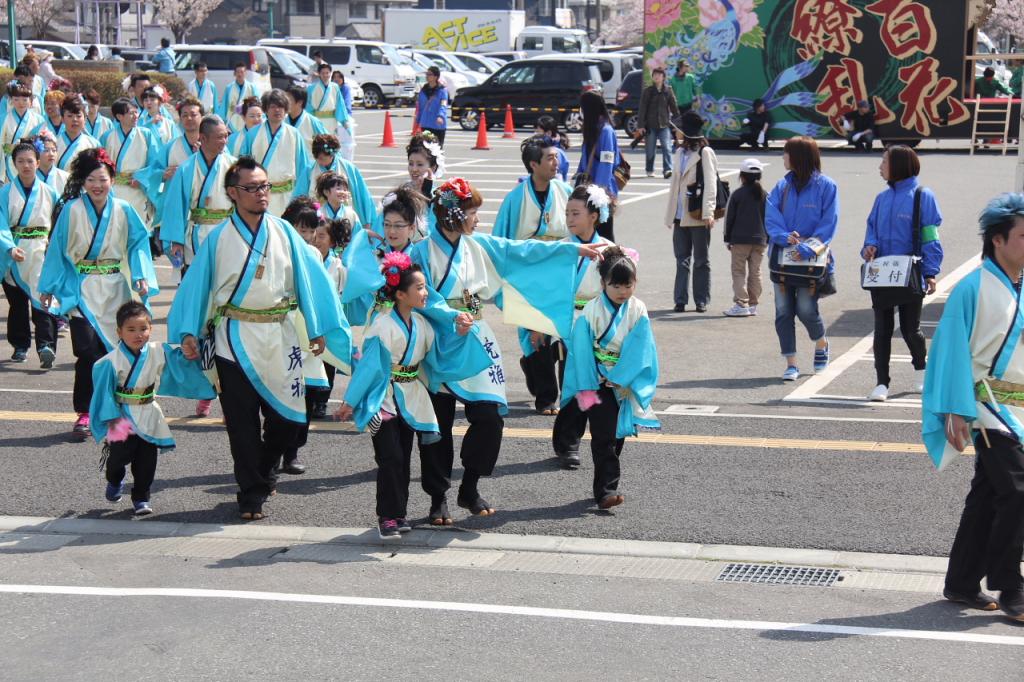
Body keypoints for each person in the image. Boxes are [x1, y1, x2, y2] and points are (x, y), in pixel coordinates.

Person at [409, 177, 604, 524]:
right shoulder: (420, 251)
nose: (477, 220)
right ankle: (438, 497)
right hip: (436, 339)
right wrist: (449, 315)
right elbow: (417, 294)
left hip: (474, 335)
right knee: (436, 424)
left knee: (489, 417)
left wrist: (569, 250)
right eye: (472, 213)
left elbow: (521, 251)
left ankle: (469, 485)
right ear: (453, 216)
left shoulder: (477, 245)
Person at [167, 156, 351, 520]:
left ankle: (265, 470)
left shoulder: (283, 233)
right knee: (242, 424)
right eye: (252, 188)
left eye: (265, 186)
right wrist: (189, 330)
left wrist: (318, 327)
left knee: (290, 421)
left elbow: (311, 279)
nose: (261, 194)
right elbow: (197, 287)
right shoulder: (218, 238)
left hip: (281, 336)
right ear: (233, 193)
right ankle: (251, 493)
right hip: (233, 338)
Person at [336, 252, 490, 539]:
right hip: (383, 396)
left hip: (411, 395)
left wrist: (459, 331)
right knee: (391, 457)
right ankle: (387, 517)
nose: (425, 293)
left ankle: (398, 514)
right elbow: (369, 368)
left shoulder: (421, 325)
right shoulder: (382, 326)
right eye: (419, 288)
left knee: (403, 456)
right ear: (400, 294)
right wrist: (350, 401)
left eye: (424, 287)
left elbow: (440, 350)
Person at [922, 193, 1024, 622]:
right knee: (1019, 492)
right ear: (998, 240)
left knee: (989, 495)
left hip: (1017, 407)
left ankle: (961, 582)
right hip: (984, 405)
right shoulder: (972, 286)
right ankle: (1011, 584)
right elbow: (949, 351)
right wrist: (953, 408)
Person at [38, 148, 158, 441]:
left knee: (116, 353)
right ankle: (84, 410)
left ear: (112, 179)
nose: (97, 185)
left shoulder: (124, 210)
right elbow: (57, 250)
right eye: (91, 179)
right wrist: (48, 287)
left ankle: (115, 410)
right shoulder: (71, 210)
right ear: (83, 181)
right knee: (87, 351)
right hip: (82, 288)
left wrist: (141, 274)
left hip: (115, 287)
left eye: (102, 179)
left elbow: (139, 242)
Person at [89, 301, 215, 516]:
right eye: (131, 329)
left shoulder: (157, 351)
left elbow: (179, 357)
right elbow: (103, 394)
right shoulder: (109, 362)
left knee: (147, 461)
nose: (138, 334)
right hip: (121, 416)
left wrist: (188, 350)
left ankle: (141, 498)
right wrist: (110, 418)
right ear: (119, 332)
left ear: (151, 329)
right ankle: (114, 480)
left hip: (148, 412)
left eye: (143, 329)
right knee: (118, 459)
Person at [560, 246, 659, 509]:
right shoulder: (591, 311)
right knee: (603, 435)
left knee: (617, 435)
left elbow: (641, 347)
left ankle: (604, 485)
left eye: (628, 285)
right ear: (603, 283)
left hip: (621, 382)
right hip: (596, 380)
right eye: (616, 286)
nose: (623, 292)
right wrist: (590, 383)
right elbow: (581, 351)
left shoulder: (638, 309)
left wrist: (622, 376)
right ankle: (605, 491)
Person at [494, 136, 574, 414]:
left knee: (563, 334)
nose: (556, 162)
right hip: (526, 276)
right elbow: (500, 242)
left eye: (556, 157)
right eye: (550, 158)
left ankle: (560, 391)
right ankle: (546, 397)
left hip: (561, 274)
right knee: (535, 336)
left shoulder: (565, 191)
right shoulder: (515, 199)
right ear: (533, 164)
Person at [861, 145, 943, 402]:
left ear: (898, 165)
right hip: (882, 271)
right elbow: (871, 228)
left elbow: (930, 236)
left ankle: (921, 370)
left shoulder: (922, 195)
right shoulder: (881, 198)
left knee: (910, 329)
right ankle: (881, 383)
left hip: (910, 270)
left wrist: (930, 272)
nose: (880, 166)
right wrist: (868, 247)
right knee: (882, 329)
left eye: (884, 161)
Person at [551, 184, 615, 467]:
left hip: (598, 325)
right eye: (567, 213)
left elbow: (618, 292)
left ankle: (574, 439)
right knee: (573, 380)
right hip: (568, 323)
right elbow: (548, 290)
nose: (570, 218)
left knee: (590, 382)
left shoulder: (610, 251)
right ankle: (568, 442)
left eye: (576, 212)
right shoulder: (562, 248)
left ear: (594, 215)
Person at [765, 136, 838, 381]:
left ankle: (821, 342)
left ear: (798, 157)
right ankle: (791, 362)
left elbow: (829, 225)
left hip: (811, 261)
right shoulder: (781, 186)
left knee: (807, 309)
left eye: (786, 153)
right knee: (783, 311)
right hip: (783, 259)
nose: (783, 158)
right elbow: (771, 216)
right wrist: (784, 236)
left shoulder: (827, 186)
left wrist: (809, 247)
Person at [0, 141, 60, 368]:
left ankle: (46, 345)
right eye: (20, 161)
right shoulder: (5, 193)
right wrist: (8, 246)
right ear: (14, 164)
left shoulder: (50, 192)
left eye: (30, 161)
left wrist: (55, 249)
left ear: (38, 162)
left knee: (43, 298)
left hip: (40, 252)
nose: (26, 165)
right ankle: (20, 346)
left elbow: (58, 225)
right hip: (14, 253)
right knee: (17, 303)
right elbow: (1, 223)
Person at [341, 187, 425, 329]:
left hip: (408, 324)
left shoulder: (417, 257)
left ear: (411, 227)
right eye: (387, 225)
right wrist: (360, 238)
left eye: (398, 226)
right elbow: (349, 275)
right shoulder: (376, 255)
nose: (391, 231)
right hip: (377, 323)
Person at [162, 115, 236, 272]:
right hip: (197, 234)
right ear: (203, 138)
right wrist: (176, 241)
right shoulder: (186, 168)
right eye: (219, 137)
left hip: (228, 232)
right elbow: (176, 207)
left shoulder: (234, 166)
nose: (225, 141)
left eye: (226, 136)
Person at [664, 110, 718, 313]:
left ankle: (701, 299)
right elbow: (675, 186)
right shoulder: (679, 152)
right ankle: (680, 299)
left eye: (678, 129)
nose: (675, 131)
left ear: (686, 132)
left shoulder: (705, 152)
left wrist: (709, 212)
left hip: (697, 213)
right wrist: (670, 214)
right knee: (681, 259)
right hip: (680, 214)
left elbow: (711, 184)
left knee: (701, 260)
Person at [240, 89, 311, 216]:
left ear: (286, 109)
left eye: (280, 106)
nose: (277, 110)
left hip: (288, 196)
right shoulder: (252, 134)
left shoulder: (294, 134)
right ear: (266, 110)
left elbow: (303, 167)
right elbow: (243, 167)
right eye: (273, 107)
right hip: (260, 194)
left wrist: (302, 197)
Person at [311, 217, 352, 418]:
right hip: (308, 319)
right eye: (314, 235)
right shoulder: (306, 259)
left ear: (332, 241)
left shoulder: (338, 266)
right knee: (308, 359)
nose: (316, 240)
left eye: (322, 236)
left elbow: (342, 295)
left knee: (329, 362)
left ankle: (322, 401)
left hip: (329, 320)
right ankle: (308, 398)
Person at [145, 97, 205, 229]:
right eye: (185, 115)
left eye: (193, 114)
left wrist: (206, 157)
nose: (189, 118)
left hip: (205, 209)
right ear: (180, 119)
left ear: (202, 117)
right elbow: (152, 172)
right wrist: (163, 175)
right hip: (176, 206)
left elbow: (226, 169)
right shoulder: (170, 147)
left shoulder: (212, 146)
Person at [102, 98, 160, 228]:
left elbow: (155, 162)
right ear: (119, 116)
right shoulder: (107, 136)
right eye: (131, 113)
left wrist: (142, 179)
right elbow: (101, 164)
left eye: (136, 112)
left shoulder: (146, 134)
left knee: (138, 229)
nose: (136, 116)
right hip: (113, 189)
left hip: (138, 188)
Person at [723, 158, 768, 317]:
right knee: (756, 272)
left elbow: (730, 218)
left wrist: (727, 238)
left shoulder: (737, 194)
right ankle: (753, 304)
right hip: (760, 240)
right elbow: (769, 218)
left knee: (738, 271)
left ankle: (742, 303)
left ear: (742, 176)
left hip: (740, 239)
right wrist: (767, 238)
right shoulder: (765, 195)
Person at [577, 90, 620, 241]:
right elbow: (585, 159)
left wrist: (599, 193)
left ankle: (610, 263)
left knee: (604, 236)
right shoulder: (593, 128)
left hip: (601, 194)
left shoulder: (606, 131)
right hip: (589, 191)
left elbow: (607, 163)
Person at [309, 133, 376, 227]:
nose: (318, 161)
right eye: (316, 158)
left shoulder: (348, 167)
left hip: (345, 216)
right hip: (318, 217)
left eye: (321, 158)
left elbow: (361, 195)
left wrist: (366, 221)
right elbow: (300, 195)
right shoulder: (309, 169)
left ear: (332, 154)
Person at [307, 62, 354, 160]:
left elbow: (340, 105)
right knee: (318, 144)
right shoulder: (311, 88)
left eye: (327, 73)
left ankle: (331, 163)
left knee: (331, 143)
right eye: (323, 73)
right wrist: (309, 121)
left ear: (330, 73)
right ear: (319, 74)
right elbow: (308, 107)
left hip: (331, 120)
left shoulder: (335, 87)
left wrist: (345, 122)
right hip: (317, 120)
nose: (325, 75)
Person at [638, 67, 679, 179]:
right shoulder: (648, 91)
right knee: (650, 150)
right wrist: (640, 126)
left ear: (663, 77)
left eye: (659, 75)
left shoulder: (668, 90)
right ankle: (649, 169)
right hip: (650, 126)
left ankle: (667, 169)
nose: (656, 76)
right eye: (655, 74)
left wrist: (678, 124)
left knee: (667, 147)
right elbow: (642, 109)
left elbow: (674, 108)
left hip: (664, 125)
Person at [0, 83, 45, 185]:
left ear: (30, 101)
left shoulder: (39, 119)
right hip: (9, 162)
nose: (21, 103)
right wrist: (14, 148)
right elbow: (0, 145)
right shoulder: (3, 119)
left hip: (31, 161)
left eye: (25, 100)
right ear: (11, 100)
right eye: (16, 99)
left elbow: (42, 144)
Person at [55, 97, 101, 171]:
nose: (75, 119)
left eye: (79, 116)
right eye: (70, 116)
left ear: (85, 119)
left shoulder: (94, 144)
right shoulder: (54, 143)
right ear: (62, 119)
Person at [219, 63, 261, 133]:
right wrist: (222, 121)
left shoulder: (252, 87)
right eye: (238, 72)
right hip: (231, 120)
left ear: (245, 73)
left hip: (247, 119)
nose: (240, 74)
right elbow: (224, 106)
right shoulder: (229, 88)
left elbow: (257, 104)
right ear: (234, 73)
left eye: (242, 72)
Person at [286, 85, 327, 151]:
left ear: (300, 102)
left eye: (289, 100)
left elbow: (328, 143)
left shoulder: (313, 122)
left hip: (308, 160)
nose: (285, 103)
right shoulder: (281, 120)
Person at [415, 66, 449, 146]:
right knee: (427, 149)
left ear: (436, 77)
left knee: (437, 150)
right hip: (426, 124)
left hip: (438, 125)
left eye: (429, 74)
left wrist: (440, 116)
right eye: (426, 74)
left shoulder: (442, 91)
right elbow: (421, 107)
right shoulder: (423, 91)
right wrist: (418, 120)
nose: (427, 76)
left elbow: (443, 105)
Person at [534, 115, 570, 182]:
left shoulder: (553, 153)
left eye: (538, 132)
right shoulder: (560, 151)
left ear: (548, 133)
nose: (535, 134)